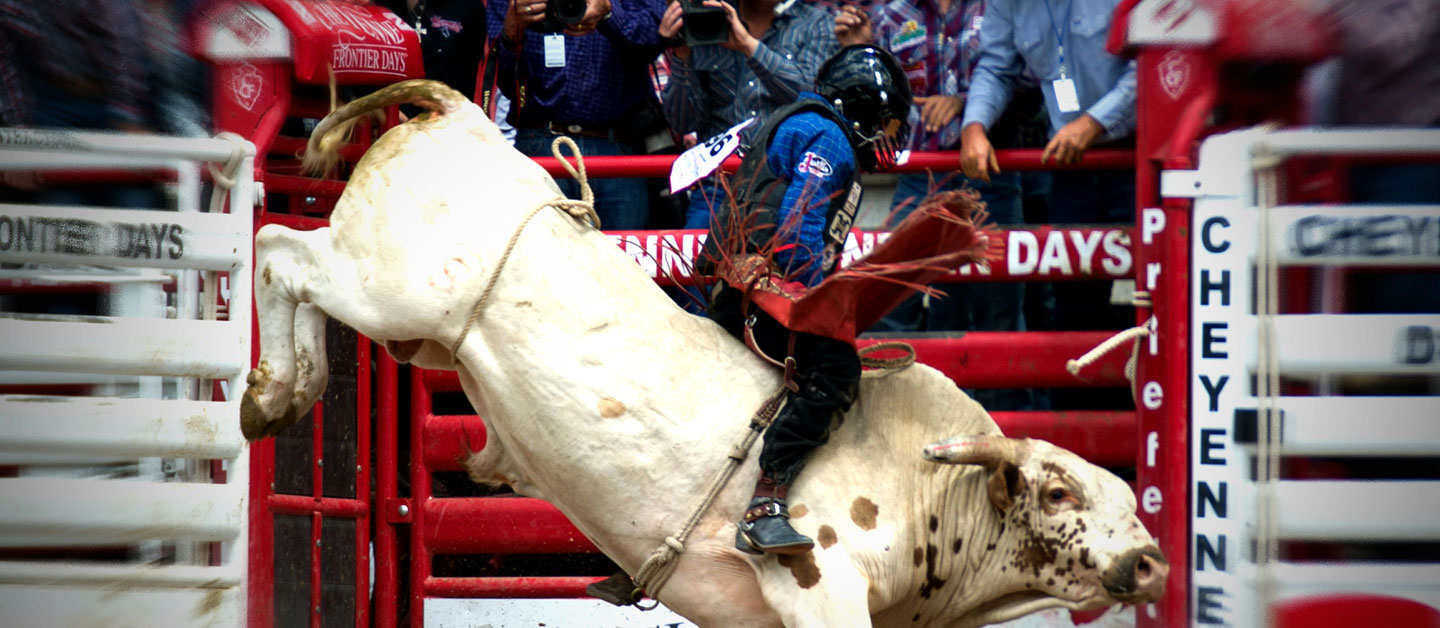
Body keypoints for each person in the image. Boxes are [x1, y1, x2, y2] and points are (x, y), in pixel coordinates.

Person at [700, 44, 912, 554]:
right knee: (836, 368)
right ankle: (766, 503)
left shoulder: (802, 123)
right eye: (885, 125)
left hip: (737, 282)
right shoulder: (832, 142)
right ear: (863, 109)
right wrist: (816, 296)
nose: (887, 138)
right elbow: (797, 230)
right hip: (758, 291)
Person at [834, 0, 1035, 410]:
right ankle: (898, 416)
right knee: (893, 295)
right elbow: (874, 109)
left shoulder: (1000, 7)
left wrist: (968, 104)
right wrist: (858, 53)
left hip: (991, 169)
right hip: (920, 174)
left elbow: (1033, 83)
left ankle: (1009, 431)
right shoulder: (889, 16)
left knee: (998, 308)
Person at [959, 0, 1136, 412]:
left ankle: (1137, 434)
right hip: (1069, 165)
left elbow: (1152, 67)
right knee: (1074, 304)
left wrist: (1095, 122)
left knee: (1151, 292)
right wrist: (974, 126)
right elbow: (995, 67)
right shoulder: (1008, 3)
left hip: (1138, 156)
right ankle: (1080, 438)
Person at [487, 0, 668, 229]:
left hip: (618, 146)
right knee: (542, 257)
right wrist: (512, 30)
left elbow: (656, 36)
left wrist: (610, 12)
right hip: (541, 142)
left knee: (623, 257)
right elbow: (501, 78)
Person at [659, 0, 838, 229]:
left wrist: (748, 46)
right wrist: (681, 55)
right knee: (696, 263)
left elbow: (812, 99)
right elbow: (682, 122)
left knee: (786, 264)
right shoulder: (706, 19)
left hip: (787, 189)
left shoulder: (816, 24)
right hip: (717, 189)